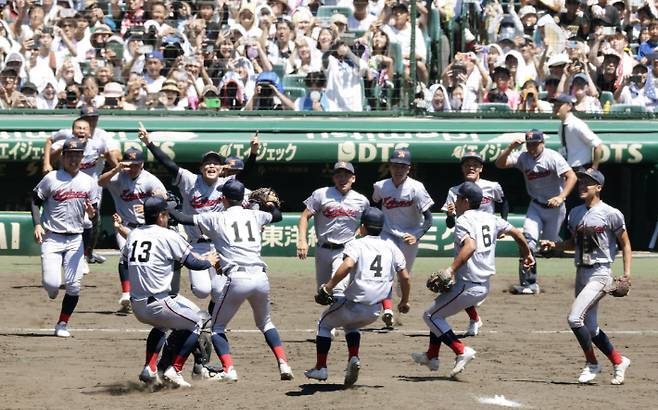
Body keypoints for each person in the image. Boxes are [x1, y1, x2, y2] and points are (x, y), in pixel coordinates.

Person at [169, 179, 294, 382]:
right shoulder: (255, 214)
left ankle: (229, 370)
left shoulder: (217, 218)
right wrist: (271, 205)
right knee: (266, 323)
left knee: (217, 327)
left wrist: (168, 205)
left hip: (237, 278)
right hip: (261, 277)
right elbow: (277, 216)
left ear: (224, 198)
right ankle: (284, 364)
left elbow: (182, 218)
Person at [411, 182, 534, 377]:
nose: (456, 201)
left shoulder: (464, 220)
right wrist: (527, 254)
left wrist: (451, 270)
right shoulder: (490, 218)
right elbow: (517, 232)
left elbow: (470, 246)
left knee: (431, 316)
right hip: (482, 285)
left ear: (465, 201)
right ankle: (431, 356)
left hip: (467, 285)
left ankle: (461, 350)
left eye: (458, 198)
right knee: (438, 308)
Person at [139, 124, 259, 304]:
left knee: (221, 291)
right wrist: (149, 144)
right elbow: (168, 164)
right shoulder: (190, 180)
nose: (211, 165)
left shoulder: (226, 183)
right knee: (202, 291)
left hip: (220, 244)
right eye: (207, 163)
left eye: (216, 163)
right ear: (201, 168)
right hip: (196, 246)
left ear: (221, 168)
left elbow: (245, 174)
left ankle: (215, 324)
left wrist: (253, 153)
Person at [540, 169, 631, 385]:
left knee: (574, 318)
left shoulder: (611, 213)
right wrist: (555, 245)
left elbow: (625, 244)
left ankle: (592, 363)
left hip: (600, 273)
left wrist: (627, 274)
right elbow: (574, 244)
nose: (582, 186)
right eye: (580, 182)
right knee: (590, 327)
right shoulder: (575, 213)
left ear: (598, 188)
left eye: (588, 183)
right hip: (581, 272)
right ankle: (619, 361)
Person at [304, 207, 411, 385]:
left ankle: (321, 368)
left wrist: (329, 287)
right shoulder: (391, 247)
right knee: (351, 326)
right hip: (375, 311)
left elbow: (347, 266)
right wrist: (405, 301)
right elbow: (405, 277)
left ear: (362, 227)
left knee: (324, 324)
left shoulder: (357, 244)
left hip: (353, 304)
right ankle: (353, 357)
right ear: (381, 227)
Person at [121, 196, 220, 388]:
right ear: (160, 216)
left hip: (137, 303)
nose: (168, 217)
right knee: (197, 322)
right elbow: (193, 263)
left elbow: (123, 263)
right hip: (158, 302)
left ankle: (149, 369)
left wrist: (127, 289)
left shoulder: (134, 234)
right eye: (166, 213)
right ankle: (175, 369)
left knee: (161, 326)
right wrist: (210, 261)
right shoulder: (168, 235)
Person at [495, 129, 577, 294]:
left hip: (555, 209)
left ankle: (559, 250)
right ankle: (528, 283)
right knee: (528, 242)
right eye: (529, 144)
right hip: (536, 206)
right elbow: (500, 164)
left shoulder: (552, 156)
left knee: (548, 248)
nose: (532, 148)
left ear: (542, 143)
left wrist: (561, 197)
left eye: (535, 144)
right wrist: (510, 147)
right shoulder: (523, 157)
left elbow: (572, 176)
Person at [31, 138, 96, 338]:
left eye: (77, 155)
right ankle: (51, 290)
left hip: (76, 238)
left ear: (82, 157)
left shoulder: (88, 181)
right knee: (52, 284)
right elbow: (34, 201)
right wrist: (37, 224)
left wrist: (92, 213)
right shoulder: (52, 178)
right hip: (52, 237)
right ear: (63, 156)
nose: (74, 159)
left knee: (74, 286)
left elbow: (94, 213)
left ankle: (62, 323)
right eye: (70, 155)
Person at [441, 151, 507, 336]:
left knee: (468, 283)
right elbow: (450, 224)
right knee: (463, 284)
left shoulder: (492, 186)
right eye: (467, 164)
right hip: (466, 235)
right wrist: (449, 215)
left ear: (481, 168)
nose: (471, 167)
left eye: (475, 164)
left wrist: (501, 225)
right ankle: (474, 318)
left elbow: (504, 203)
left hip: (484, 236)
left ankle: (475, 312)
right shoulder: (454, 191)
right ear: (462, 168)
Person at [44, 106, 120, 265]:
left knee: (88, 221)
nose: (91, 121)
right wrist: (48, 162)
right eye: (88, 118)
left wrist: (118, 168)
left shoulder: (101, 138)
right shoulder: (67, 135)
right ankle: (61, 252)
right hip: (66, 183)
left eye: (94, 118)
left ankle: (85, 255)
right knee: (63, 216)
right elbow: (50, 142)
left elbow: (112, 154)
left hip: (90, 185)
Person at [98, 146, 166, 310]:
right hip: (125, 225)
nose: (132, 167)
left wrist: (150, 204)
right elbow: (100, 182)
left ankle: (147, 294)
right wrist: (116, 169)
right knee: (126, 257)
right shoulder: (119, 177)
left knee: (145, 262)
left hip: (147, 227)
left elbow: (164, 198)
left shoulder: (149, 179)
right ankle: (127, 294)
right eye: (130, 164)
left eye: (136, 164)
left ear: (142, 164)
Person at [372, 148, 434, 328]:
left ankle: (401, 291)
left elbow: (429, 218)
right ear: (389, 166)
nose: (399, 169)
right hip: (387, 233)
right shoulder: (381, 186)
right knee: (386, 271)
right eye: (395, 165)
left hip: (409, 234)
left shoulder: (417, 187)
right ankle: (388, 309)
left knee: (404, 273)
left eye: (403, 166)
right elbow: (374, 208)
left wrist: (417, 234)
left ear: (409, 168)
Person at [296, 161, 370, 296]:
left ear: (353, 178)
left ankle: (340, 315)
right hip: (322, 249)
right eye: (338, 175)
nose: (342, 179)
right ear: (333, 178)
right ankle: (334, 315)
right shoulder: (321, 194)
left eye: (346, 175)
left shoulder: (362, 200)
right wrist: (302, 240)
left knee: (338, 290)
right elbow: (304, 217)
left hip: (346, 250)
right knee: (323, 293)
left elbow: (367, 223)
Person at [554, 94, 603, 171]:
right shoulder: (562, 126)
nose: (556, 108)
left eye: (559, 105)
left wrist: (594, 168)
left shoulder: (577, 124)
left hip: (581, 168)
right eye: (554, 105)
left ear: (569, 106)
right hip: (569, 169)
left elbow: (598, 145)